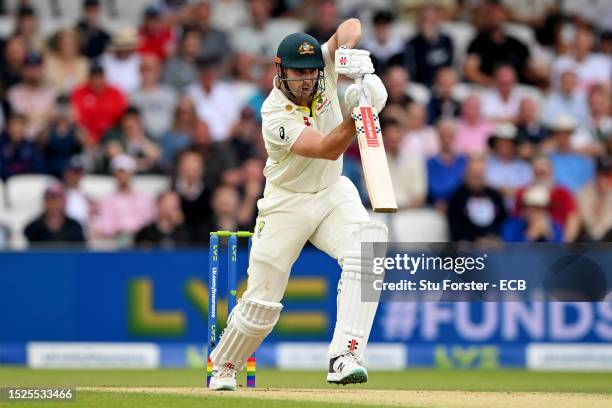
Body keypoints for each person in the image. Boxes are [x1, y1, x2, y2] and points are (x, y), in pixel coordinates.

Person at [208, 21, 389, 390]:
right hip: (286, 202)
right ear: (281, 70)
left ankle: (345, 355)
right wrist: (360, 115)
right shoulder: (274, 114)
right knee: (262, 303)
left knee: (368, 251)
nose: (307, 79)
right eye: (298, 72)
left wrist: (349, 52)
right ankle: (224, 366)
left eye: (311, 71)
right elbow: (324, 148)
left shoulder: (324, 69)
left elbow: (349, 26)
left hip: (332, 190)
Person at [91, 155, 155, 243]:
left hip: (141, 240)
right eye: (119, 172)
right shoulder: (107, 199)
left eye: (125, 172)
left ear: (132, 173)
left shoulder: (144, 198)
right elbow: (106, 226)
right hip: (117, 241)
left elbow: (149, 221)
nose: (122, 176)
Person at [447, 157, 507, 242]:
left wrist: (493, 237)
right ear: (467, 173)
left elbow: (502, 221)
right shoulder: (457, 197)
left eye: (480, 173)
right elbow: (455, 227)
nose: (477, 176)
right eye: (474, 173)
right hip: (468, 246)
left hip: (492, 243)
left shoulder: (495, 195)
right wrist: (475, 240)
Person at [71, 63, 127, 145]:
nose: (97, 81)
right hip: (86, 136)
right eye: (94, 78)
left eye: (100, 77)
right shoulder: (79, 93)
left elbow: (123, 116)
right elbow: (76, 118)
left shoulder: (115, 93)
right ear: (89, 79)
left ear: (104, 77)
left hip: (111, 135)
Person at [577, 156, 612, 241]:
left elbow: (607, 222)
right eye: (601, 173)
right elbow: (587, 220)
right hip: (588, 236)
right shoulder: (585, 190)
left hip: (607, 236)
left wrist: (604, 196)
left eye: (606, 174)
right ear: (596, 173)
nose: (603, 177)